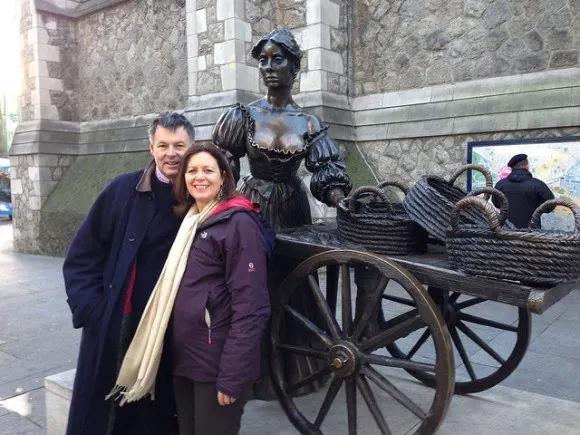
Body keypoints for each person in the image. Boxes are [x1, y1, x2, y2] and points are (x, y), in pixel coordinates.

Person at [211, 28, 352, 398]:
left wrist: (339, 199)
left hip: (292, 207)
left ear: (295, 67)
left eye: (279, 59)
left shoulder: (308, 123)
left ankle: (295, 370)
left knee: (295, 283)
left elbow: (326, 170)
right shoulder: (242, 115)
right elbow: (222, 161)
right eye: (264, 60)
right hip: (253, 208)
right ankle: (252, 373)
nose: (270, 67)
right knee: (252, 285)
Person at [108, 144, 271, 435]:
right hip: (186, 360)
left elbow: (252, 306)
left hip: (216, 365)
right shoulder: (192, 220)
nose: (200, 177)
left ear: (223, 177)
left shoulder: (238, 223)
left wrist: (232, 375)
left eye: (208, 170)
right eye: (192, 171)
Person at [63, 112, 195, 435]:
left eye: (179, 145)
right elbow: (82, 256)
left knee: (157, 419)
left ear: (191, 147)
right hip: (118, 328)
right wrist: (96, 312)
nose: (171, 153)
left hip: (169, 333)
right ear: (151, 148)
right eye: (163, 145)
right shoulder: (122, 191)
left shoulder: (199, 197)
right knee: (111, 419)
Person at [492, 153, 555, 228]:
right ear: (527, 167)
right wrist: (536, 209)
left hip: (506, 232)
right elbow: (550, 205)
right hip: (532, 233)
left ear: (512, 168)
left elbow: (496, 203)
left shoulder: (500, 185)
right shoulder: (538, 185)